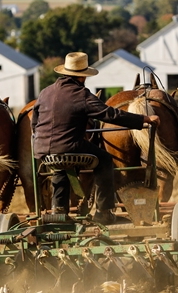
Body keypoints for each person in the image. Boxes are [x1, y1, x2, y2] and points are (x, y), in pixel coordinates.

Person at [31, 52, 160, 225]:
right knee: (105, 159)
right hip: (70, 147)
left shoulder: (45, 92)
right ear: (82, 77)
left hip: (42, 151)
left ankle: (58, 211)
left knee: (60, 166)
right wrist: (143, 119)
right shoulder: (81, 94)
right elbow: (110, 114)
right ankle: (104, 211)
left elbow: (35, 122)